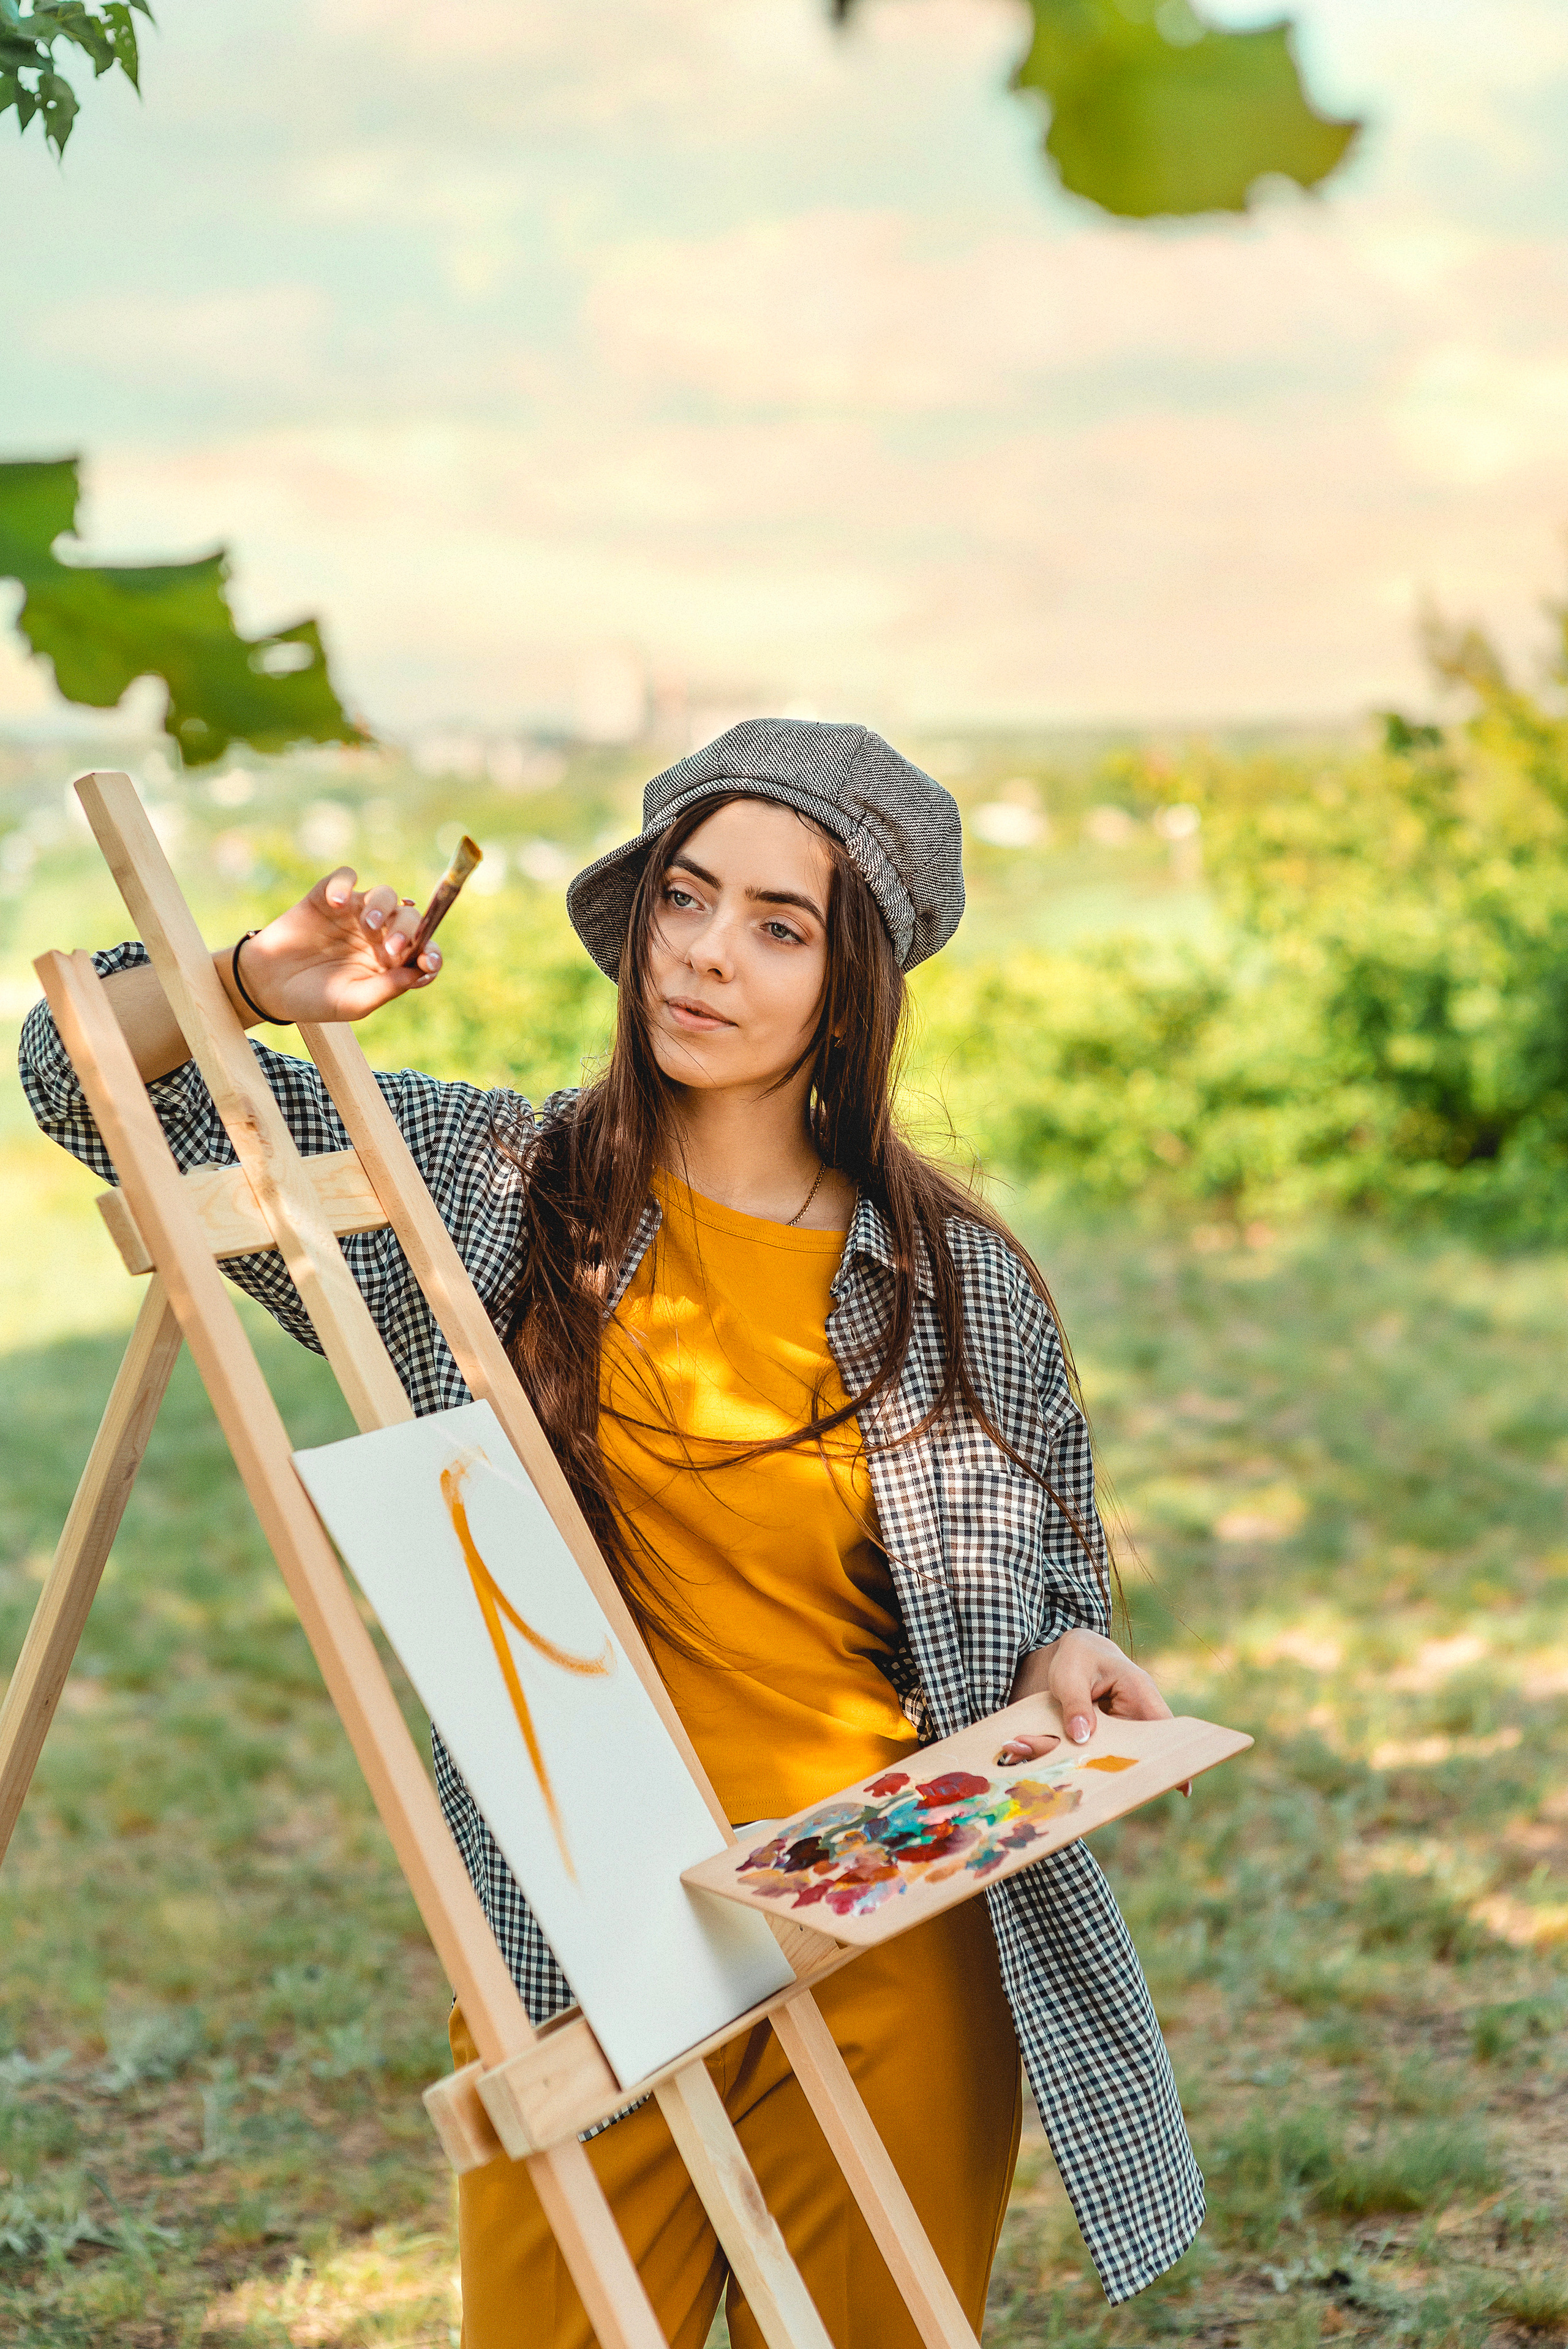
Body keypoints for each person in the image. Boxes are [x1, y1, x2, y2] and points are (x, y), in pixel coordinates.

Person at [21, 720, 1203, 2347]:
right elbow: (75, 1076)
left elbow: (1044, 1568)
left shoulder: (956, 1279)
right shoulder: (478, 1188)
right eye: (686, 896)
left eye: (780, 926)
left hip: (885, 1934)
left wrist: (1068, 1640)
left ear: (850, 986)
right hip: (585, 1950)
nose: (710, 953)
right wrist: (246, 975)